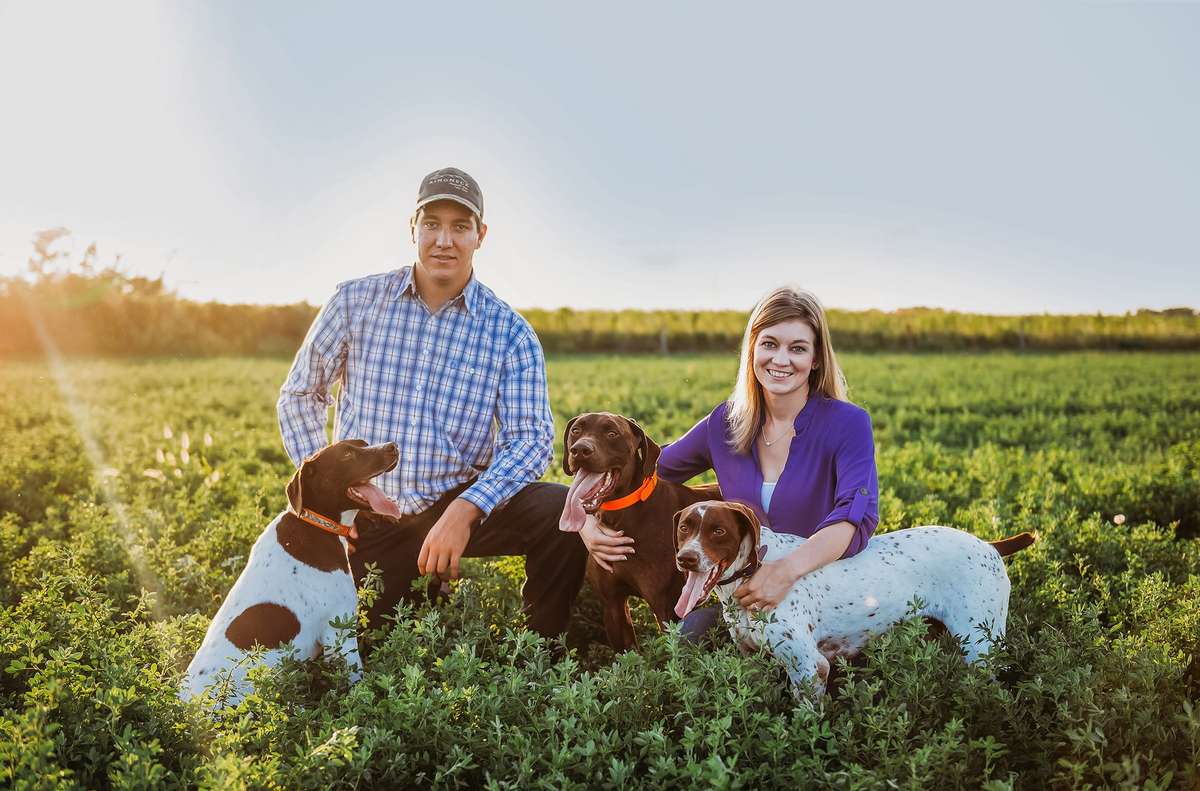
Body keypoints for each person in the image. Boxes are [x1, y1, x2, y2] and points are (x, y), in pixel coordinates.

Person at [277, 167, 587, 639]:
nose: (444, 240)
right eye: (432, 224)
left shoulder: (510, 332)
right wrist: (326, 502)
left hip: (456, 499)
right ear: (413, 229)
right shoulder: (354, 302)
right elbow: (301, 395)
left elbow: (530, 440)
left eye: (460, 226)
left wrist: (466, 510)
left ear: (480, 235)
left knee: (560, 513)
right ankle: (422, 588)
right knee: (376, 644)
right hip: (371, 512)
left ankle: (542, 651)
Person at [585, 286, 879, 637]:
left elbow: (853, 518)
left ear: (816, 359)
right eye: (769, 344)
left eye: (797, 348)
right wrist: (586, 520)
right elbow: (643, 468)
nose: (781, 360)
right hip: (743, 596)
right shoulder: (724, 423)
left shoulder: (848, 423)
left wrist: (784, 571)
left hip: (824, 592)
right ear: (752, 349)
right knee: (688, 644)